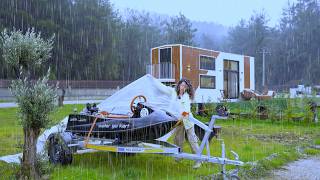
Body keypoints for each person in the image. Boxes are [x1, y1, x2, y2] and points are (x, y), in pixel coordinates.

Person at [174, 78, 202, 169]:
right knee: (178, 139)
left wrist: (183, 115)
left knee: (192, 140)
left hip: (188, 119)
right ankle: (179, 156)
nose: (182, 87)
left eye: (184, 86)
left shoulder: (186, 96)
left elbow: (186, 109)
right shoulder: (175, 96)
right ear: (178, 86)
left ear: (186, 88)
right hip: (178, 120)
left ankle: (198, 160)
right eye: (181, 85)